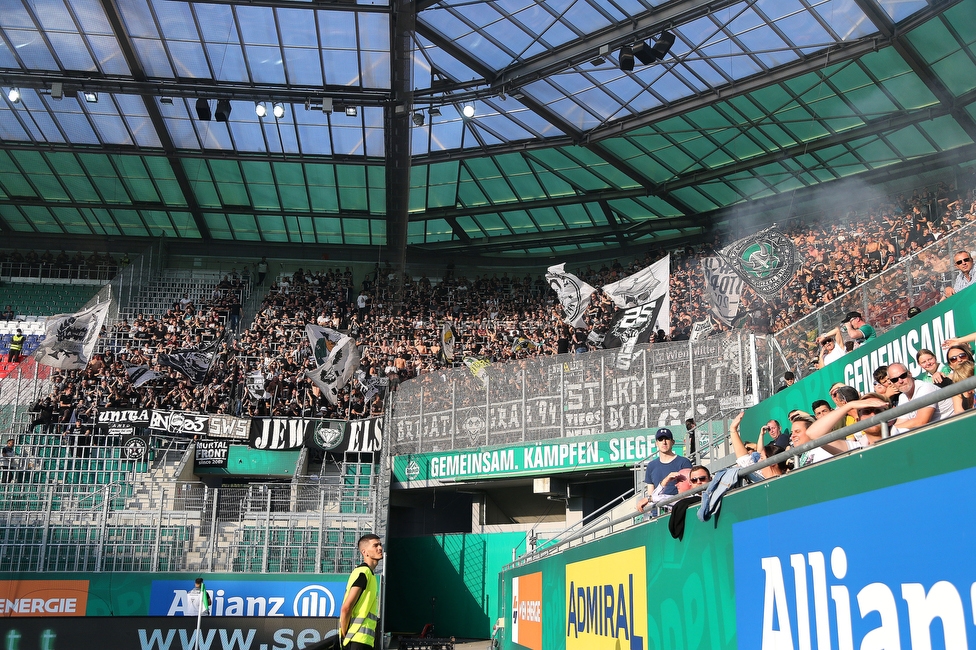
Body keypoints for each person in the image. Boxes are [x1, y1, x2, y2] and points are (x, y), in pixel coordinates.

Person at [804, 393, 892, 455]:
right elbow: (813, 434)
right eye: (867, 411)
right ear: (858, 420)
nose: (873, 415)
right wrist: (849, 405)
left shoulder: (903, 433)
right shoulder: (856, 448)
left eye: (878, 411)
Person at [340, 534, 383, 650]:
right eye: (375, 545)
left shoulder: (370, 575)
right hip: (356, 641)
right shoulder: (363, 573)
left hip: (363, 641)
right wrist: (345, 637)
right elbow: (346, 608)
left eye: (380, 544)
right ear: (365, 552)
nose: (380, 548)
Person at [635, 428, 692, 513]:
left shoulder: (684, 462)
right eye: (660, 439)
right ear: (656, 443)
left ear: (673, 442)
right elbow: (651, 493)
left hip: (678, 511)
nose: (664, 442)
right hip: (657, 513)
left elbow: (689, 489)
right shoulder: (651, 466)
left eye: (667, 439)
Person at [888, 363, 950, 434]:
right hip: (937, 432)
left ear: (910, 373)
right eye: (895, 380)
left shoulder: (925, 388)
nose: (900, 381)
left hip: (951, 428)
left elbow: (921, 421)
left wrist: (893, 429)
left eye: (903, 376)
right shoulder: (902, 397)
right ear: (891, 382)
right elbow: (901, 421)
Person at [729, 411, 788, 483]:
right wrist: (761, 434)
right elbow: (759, 452)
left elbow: (746, 459)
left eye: (773, 428)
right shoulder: (770, 444)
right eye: (769, 429)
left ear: (779, 428)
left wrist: (733, 430)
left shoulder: (783, 437)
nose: (771, 431)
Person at [945, 344, 975, 414]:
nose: (959, 360)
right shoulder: (954, 383)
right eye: (953, 359)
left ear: (969, 356)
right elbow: (959, 413)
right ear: (950, 365)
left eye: (962, 356)